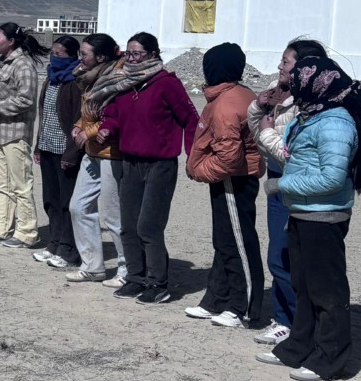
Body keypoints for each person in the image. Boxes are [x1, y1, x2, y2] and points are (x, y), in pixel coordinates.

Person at [254, 55, 361, 381]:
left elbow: (331, 178)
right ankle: (298, 347)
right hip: (303, 212)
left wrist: (280, 184)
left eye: (298, 81)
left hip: (324, 216)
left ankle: (330, 358)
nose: (292, 87)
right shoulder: (312, 116)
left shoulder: (335, 123)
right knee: (304, 286)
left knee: (327, 291)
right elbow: (292, 155)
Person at [97, 33, 198, 304]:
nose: (131, 59)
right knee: (128, 226)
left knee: (149, 226)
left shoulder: (167, 84)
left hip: (159, 164)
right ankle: (136, 277)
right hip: (129, 162)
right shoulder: (125, 84)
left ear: (153, 54)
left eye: (137, 54)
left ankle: (158, 283)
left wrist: (192, 155)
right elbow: (113, 114)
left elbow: (190, 120)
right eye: (128, 54)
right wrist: (107, 128)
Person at [248, 38, 328, 347]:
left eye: (286, 62)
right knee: (278, 253)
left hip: (300, 182)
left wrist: (268, 131)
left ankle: (296, 322)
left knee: (289, 255)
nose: (279, 66)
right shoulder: (278, 92)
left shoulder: (312, 103)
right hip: (277, 179)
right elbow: (261, 137)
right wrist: (258, 108)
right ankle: (283, 317)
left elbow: (293, 153)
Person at [184, 42, 265, 328]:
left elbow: (229, 158)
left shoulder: (227, 104)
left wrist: (198, 171)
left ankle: (243, 307)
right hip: (230, 178)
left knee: (239, 242)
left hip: (233, 180)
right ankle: (216, 299)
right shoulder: (234, 95)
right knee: (224, 240)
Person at [0, 22, 45, 248]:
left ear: (11, 41)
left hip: (16, 133)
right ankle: (2, 227)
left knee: (20, 184)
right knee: (0, 183)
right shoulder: (1, 64)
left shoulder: (23, 66)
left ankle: (27, 232)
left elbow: (26, 99)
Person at [65, 34, 126, 284]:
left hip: (112, 152)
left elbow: (115, 115)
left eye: (84, 54)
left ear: (100, 57)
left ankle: (127, 269)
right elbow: (89, 112)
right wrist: (79, 126)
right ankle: (92, 266)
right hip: (93, 152)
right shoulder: (89, 78)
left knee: (113, 215)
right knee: (78, 206)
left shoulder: (118, 80)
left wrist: (88, 132)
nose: (80, 58)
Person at [32, 36, 82, 269]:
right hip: (47, 147)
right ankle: (54, 242)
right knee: (50, 199)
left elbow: (77, 121)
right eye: (53, 53)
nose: (55, 58)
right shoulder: (50, 80)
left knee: (67, 201)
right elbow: (44, 116)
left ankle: (69, 248)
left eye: (60, 54)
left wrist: (71, 154)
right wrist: (38, 146)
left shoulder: (75, 82)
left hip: (65, 150)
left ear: (72, 56)